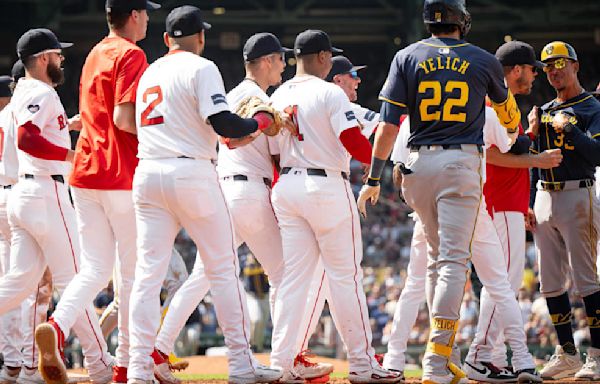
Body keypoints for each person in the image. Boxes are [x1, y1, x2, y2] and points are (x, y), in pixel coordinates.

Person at [357, 0, 522, 382]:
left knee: (435, 263)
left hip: (416, 166)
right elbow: (507, 114)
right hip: (459, 163)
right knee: (451, 264)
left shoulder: (406, 56)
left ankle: (439, 355)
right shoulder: (482, 59)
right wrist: (513, 125)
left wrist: (372, 178)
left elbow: (387, 126)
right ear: (461, 21)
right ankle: (436, 360)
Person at [128, 6, 283, 384]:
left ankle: (138, 367)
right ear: (201, 37)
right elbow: (224, 123)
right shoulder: (202, 67)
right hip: (191, 171)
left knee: (147, 276)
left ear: (166, 39)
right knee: (223, 268)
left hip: (148, 172)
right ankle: (242, 366)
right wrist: (259, 122)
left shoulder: (150, 71)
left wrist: (237, 132)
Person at [34, 1, 160, 383]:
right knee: (134, 275)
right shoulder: (132, 54)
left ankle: (56, 327)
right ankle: (127, 362)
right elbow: (124, 118)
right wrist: (162, 132)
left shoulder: (94, 53)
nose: (149, 18)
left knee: (94, 270)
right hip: (120, 173)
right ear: (134, 15)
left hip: (84, 173)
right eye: (146, 12)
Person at [269, 29, 401, 383]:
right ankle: (361, 364)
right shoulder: (329, 92)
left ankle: (280, 364)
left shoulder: (279, 93)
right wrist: (377, 168)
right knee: (346, 278)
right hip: (325, 185)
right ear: (325, 58)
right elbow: (355, 144)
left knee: (294, 282)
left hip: (287, 184)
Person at [0, 28, 113, 384]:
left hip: (24, 195)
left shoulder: (24, 92)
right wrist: (71, 153)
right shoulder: (42, 91)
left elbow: (36, 131)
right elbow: (28, 138)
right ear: (43, 57)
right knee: (76, 280)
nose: (62, 59)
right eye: (58, 54)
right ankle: (99, 363)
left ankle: (97, 361)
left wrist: (67, 126)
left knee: (19, 284)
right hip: (46, 193)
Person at [463, 41, 563, 378]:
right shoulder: (493, 101)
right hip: (497, 202)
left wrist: (524, 202)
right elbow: (487, 154)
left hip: (509, 203)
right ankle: (480, 354)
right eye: (533, 68)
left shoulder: (505, 104)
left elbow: (507, 152)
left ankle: (488, 355)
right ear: (516, 69)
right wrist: (536, 158)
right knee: (502, 285)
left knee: (505, 285)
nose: (537, 75)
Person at [528, 41, 600, 380]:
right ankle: (567, 354)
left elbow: (597, 155)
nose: (553, 70)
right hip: (544, 195)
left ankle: (597, 355)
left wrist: (570, 128)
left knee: (587, 280)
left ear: (575, 65)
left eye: (559, 62)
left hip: (577, 195)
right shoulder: (542, 109)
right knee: (550, 282)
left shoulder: (591, 106)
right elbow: (534, 160)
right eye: (547, 66)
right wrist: (528, 200)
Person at [0, 62, 56, 384]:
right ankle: (28, 366)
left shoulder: (4, 116)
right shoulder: (22, 113)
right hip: (20, 193)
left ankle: (12, 364)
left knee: (13, 284)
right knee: (33, 286)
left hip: (4, 198)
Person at [326, 56, 379, 137]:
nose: (358, 80)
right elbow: (389, 124)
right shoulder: (344, 107)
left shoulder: (317, 104)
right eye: (353, 74)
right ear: (338, 80)